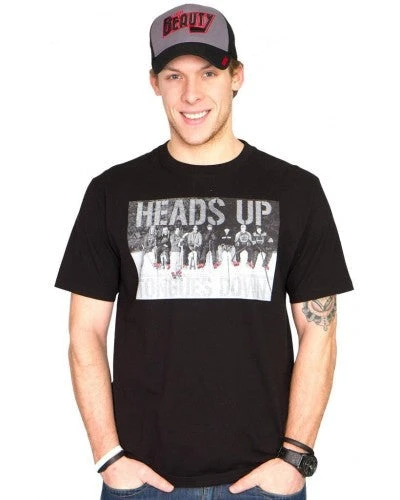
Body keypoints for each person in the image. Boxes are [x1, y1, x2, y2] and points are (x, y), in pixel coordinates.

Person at [55, 4, 353, 500]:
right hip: (144, 482)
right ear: (155, 83)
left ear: (237, 77)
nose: (191, 93)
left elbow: (319, 330)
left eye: (209, 73)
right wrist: (109, 456)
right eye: (175, 75)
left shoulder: (296, 191)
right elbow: (84, 331)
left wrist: (294, 457)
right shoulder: (112, 192)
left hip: (264, 481)